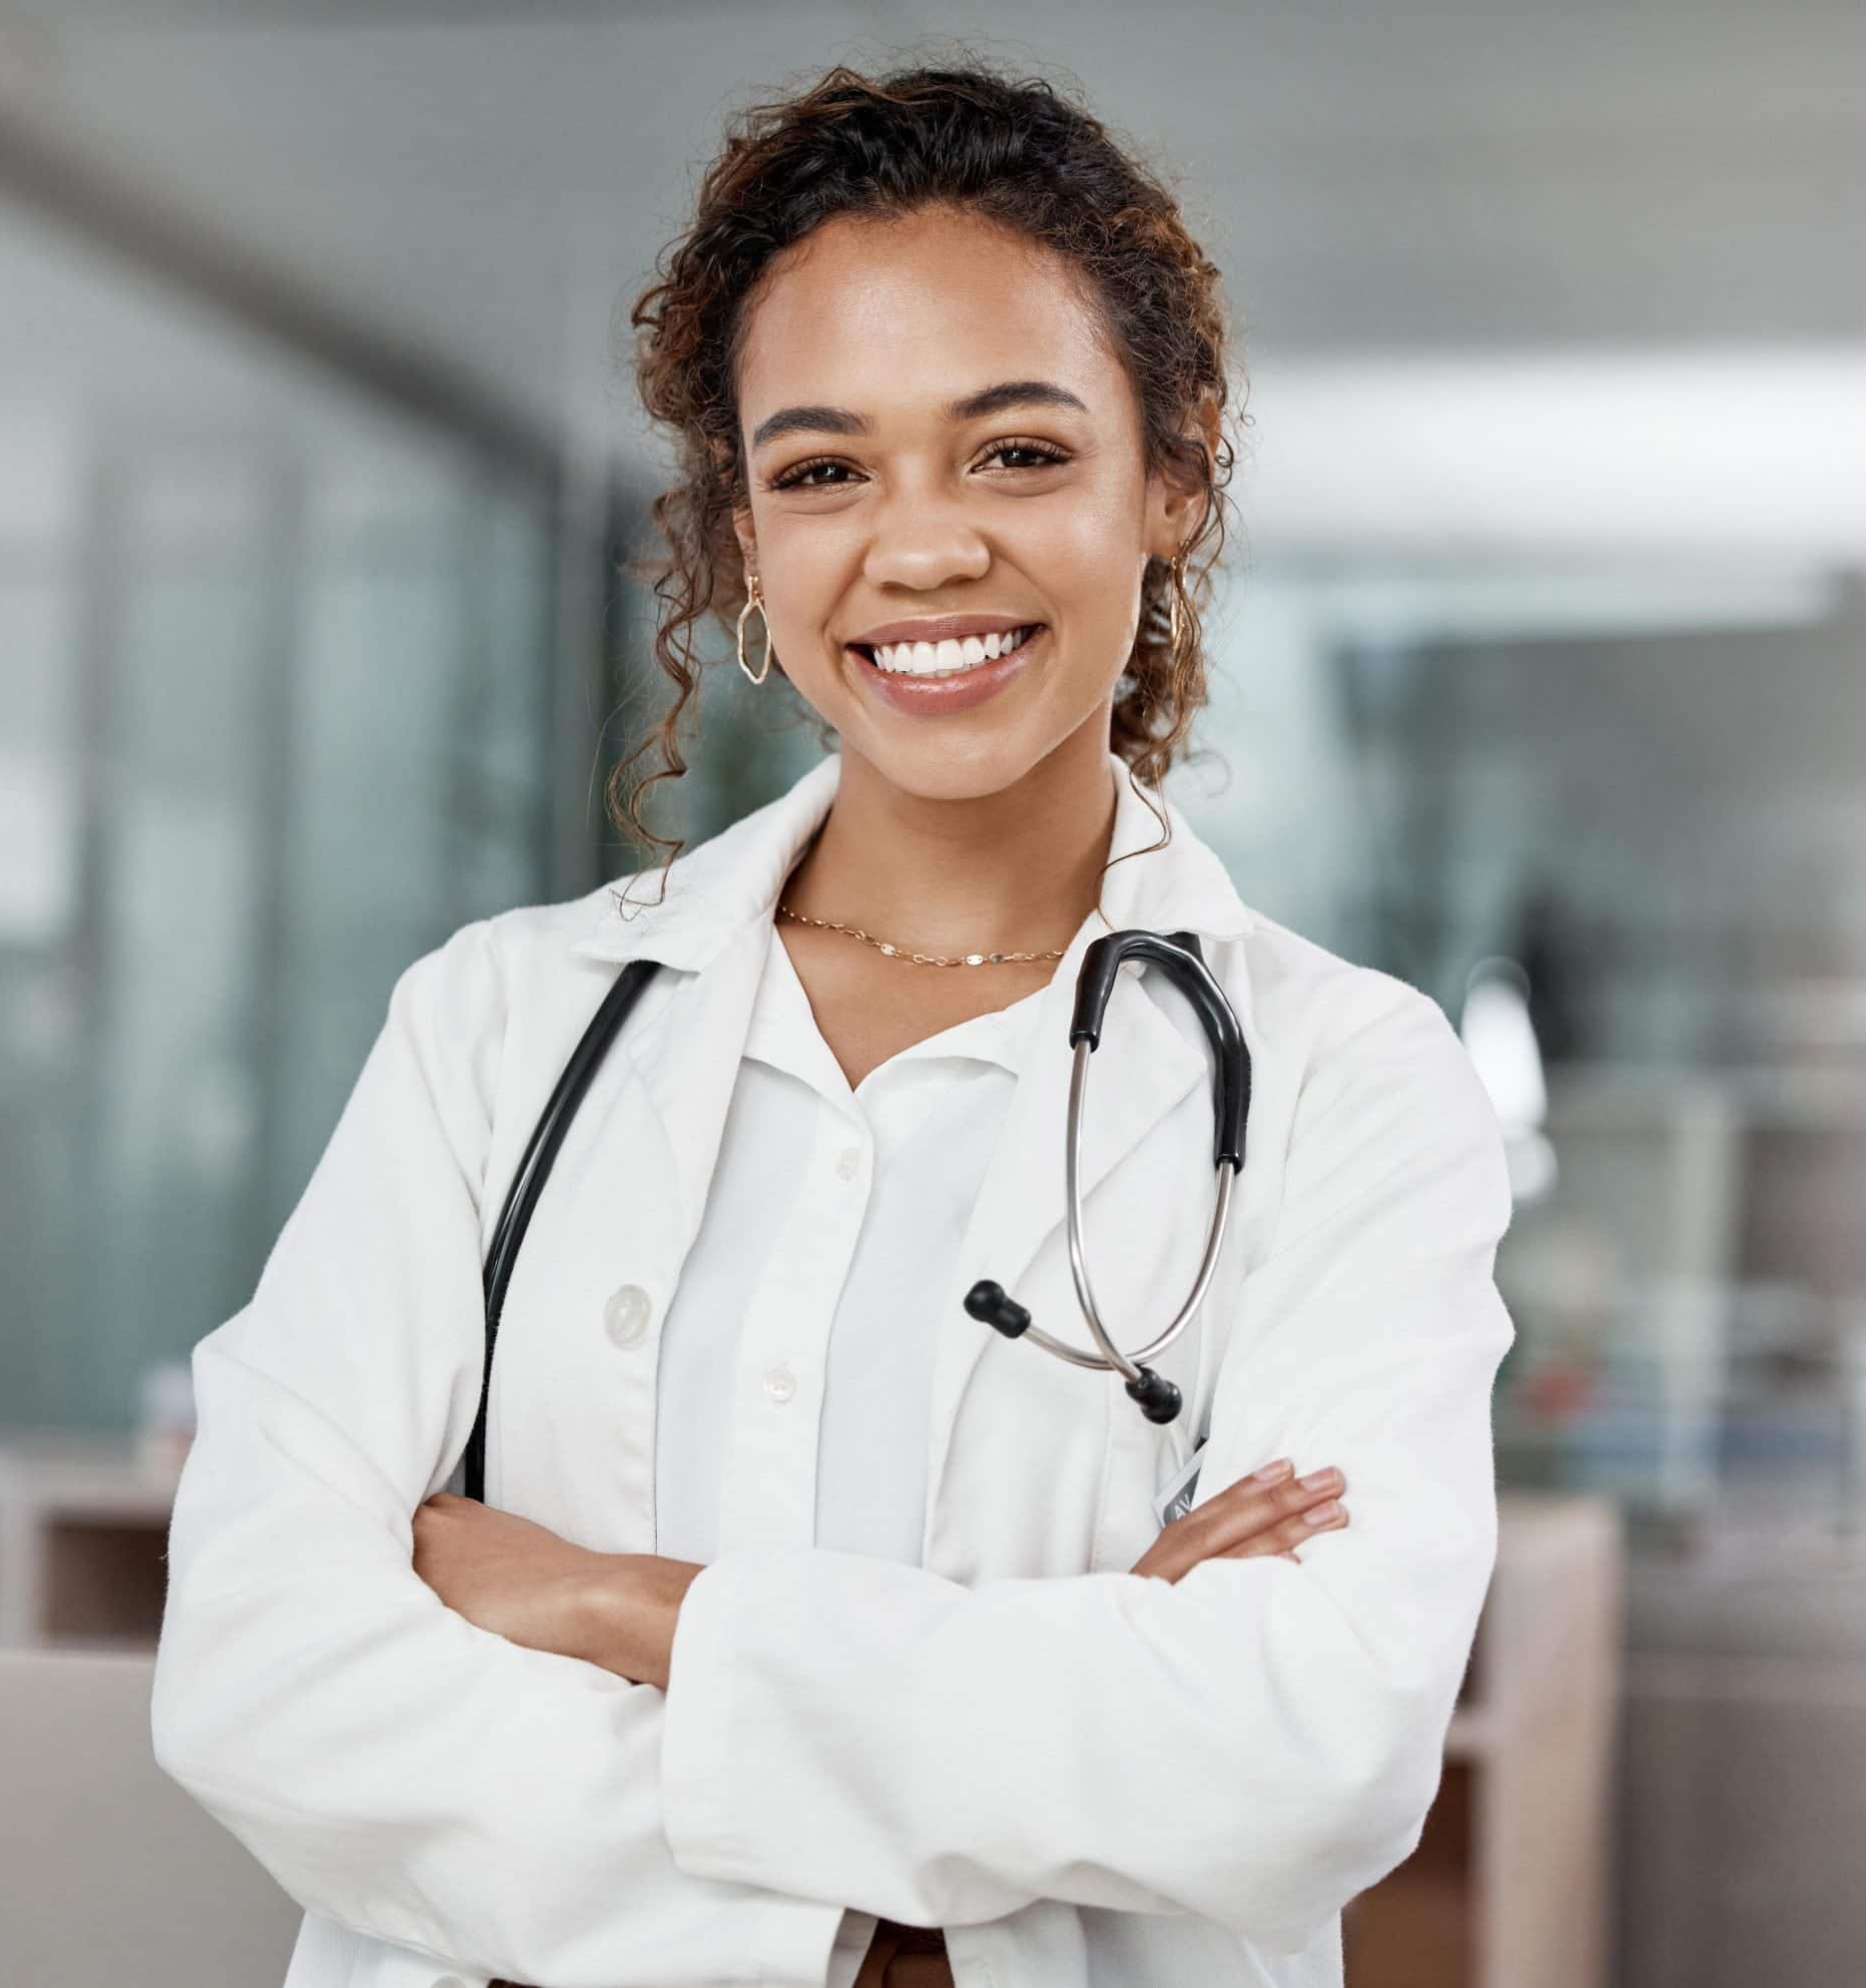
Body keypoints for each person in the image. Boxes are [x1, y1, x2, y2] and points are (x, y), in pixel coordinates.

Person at [151, 56, 1515, 1988]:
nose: (922, 546)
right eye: (822, 470)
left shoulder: (1344, 1087)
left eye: (1017, 451)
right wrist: (880, 1924)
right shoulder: (502, 1027)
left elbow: (1301, 1751)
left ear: (1177, 468)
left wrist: (629, 1607)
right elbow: (261, 1672)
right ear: (746, 535)